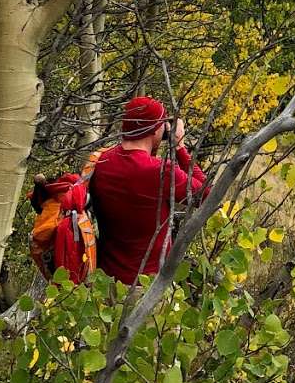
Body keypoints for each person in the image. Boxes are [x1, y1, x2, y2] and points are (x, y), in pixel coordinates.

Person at [89, 95, 207, 285]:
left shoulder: (101, 161)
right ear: (155, 129)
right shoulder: (159, 171)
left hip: (104, 283)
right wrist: (180, 146)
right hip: (144, 287)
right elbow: (207, 196)